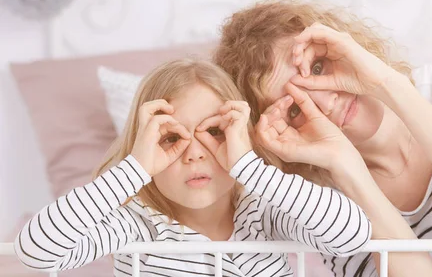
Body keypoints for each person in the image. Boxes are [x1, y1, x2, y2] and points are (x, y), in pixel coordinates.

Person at [214, 0, 432, 277]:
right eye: (296, 109)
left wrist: (385, 82)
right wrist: (349, 170)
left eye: (317, 68)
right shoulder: (316, 199)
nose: (327, 103)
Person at [15, 58, 372, 276]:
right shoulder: (138, 226)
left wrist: (250, 166)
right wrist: (135, 167)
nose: (194, 154)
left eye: (214, 132)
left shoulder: (262, 213)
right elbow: (35, 251)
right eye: (172, 139)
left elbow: (351, 232)